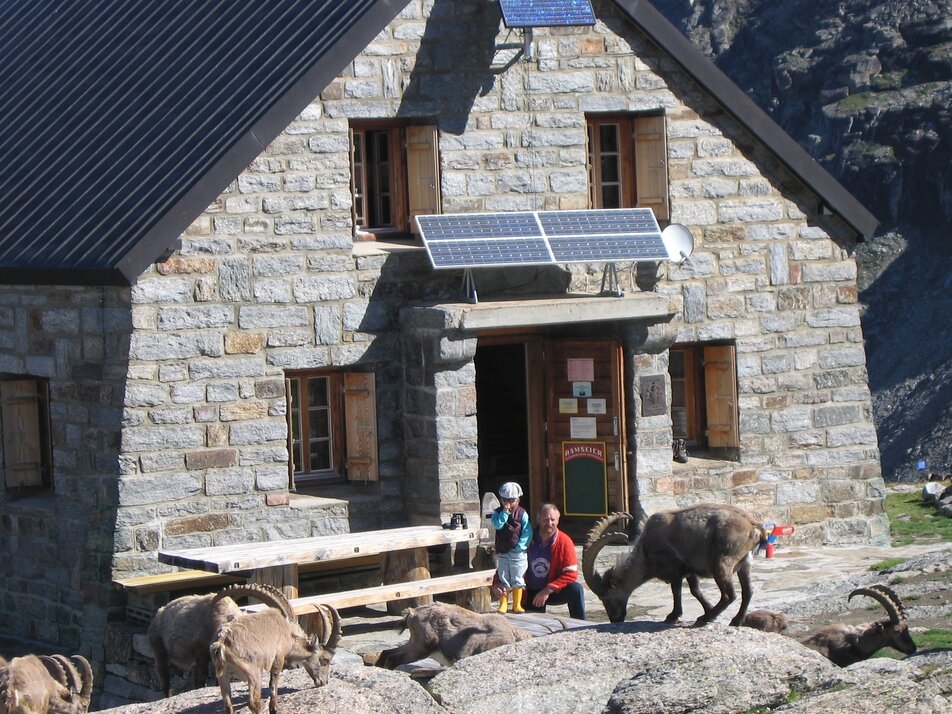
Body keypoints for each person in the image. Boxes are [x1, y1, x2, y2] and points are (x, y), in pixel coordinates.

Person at [495, 502, 585, 620]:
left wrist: (548, 590)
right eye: (545, 519)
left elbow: (571, 574)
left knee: (576, 589)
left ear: (558, 520)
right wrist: (496, 583)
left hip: (553, 590)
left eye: (553, 519)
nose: (549, 523)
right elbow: (507, 562)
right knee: (533, 625)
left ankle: (581, 625)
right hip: (531, 591)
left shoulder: (565, 541)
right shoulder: (525, 538)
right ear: (538, 519)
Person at [491, 481, 532, 614]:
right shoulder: (497, 513)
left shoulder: (522, 514)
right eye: (504, 500)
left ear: (518, 500)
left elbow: (527, 531)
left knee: (518, 577)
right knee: (503, 576)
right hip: (503, 551)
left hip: (518, 552)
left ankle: (517, 604)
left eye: (512, 500)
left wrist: (521, 546)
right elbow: (498, 525)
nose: (508, 503)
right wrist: (504, 513)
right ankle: (503, 604)